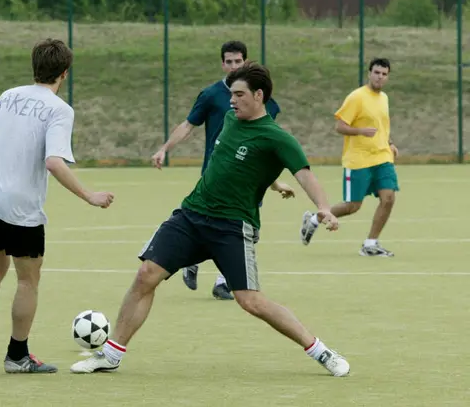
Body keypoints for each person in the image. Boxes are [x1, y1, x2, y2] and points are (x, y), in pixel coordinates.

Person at [70, 62, 350, 377]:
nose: (232, 101)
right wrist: (272, 182)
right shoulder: (231, 119)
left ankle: (321, 351)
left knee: (250, 301)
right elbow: (234, 162)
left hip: (232, 227)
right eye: (231, 94)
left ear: (259, 95)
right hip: (191, 216)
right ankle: (111, 354)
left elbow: (304, 174)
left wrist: (323, 207)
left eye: (239, 94)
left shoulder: (277, 137)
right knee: (146, 274)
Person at [0, 39, 115, 376]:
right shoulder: (60, 109)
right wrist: (89, 195)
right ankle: (17, 355)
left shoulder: (8, 95)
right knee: (28, 279)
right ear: (64, 73)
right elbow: (54, 162)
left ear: (34, 66)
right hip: (20, 207)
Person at [151, 40, 282, 300]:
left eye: (238, 61)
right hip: (215, 176)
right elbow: (188, 125)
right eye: (229, 61)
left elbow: (264, 147)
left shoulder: (265, 102)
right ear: (222, 64)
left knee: (242, 228)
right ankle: (220, 278)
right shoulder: (211, 95)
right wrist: (165, 148)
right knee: (218, 225)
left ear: (246, 61)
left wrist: (274, 183)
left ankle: (212, 272)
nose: (233, 65)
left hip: (247, 180)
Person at [300, 58, 398, 257]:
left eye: (384, 74)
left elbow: (381, 126)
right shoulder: (357, 97)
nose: (380, 77)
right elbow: (339, 126)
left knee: (388, 198)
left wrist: (389, 143)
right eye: (376, 72)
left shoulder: (384, 98)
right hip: (358, 160)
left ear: (388, 77)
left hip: (382, 157)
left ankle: (370, 244)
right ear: (369, 73)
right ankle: (314, 220)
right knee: (352, 206)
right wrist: (360, 130)